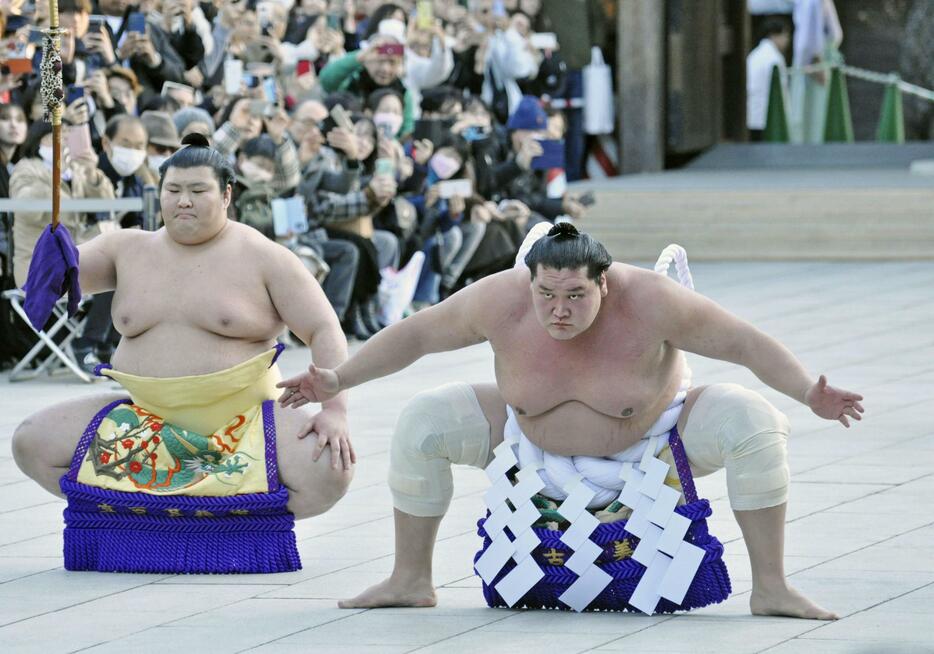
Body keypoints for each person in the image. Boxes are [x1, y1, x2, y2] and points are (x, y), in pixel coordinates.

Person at [277, 223, 864, 619]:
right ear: (529, 280)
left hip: (654, 440)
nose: (559, 310)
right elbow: (417, 334)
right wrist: (339, 379)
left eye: (576, 296)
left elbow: (743, 343)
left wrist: (806, 391)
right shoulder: (499, 298)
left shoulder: (653, 300)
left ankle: (771, 586)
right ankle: (410, 578)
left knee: (753, 421)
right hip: (525, 438)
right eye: (546, 294)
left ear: (604, 284)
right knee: (424, 420)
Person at [12, 133, 353, 524]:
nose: (183, 200)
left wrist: (335, 410)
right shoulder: (125, 249)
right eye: (172, 189)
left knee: (329, 470)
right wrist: (54, 250)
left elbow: (325, 329)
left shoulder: (265, 257)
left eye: (197, 190)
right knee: (31, 442)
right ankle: (142, 516)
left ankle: (230, 520)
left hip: (241, 422)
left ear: (226, 195)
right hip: (141, 422)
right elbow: (50, 282)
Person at [747, 17, 791, 141]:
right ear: (774, 35)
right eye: (785, 35)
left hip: (752, 116)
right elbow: (781, 92)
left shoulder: (755, 54)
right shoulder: (774, 58)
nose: (787, 40)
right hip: (767, 117)